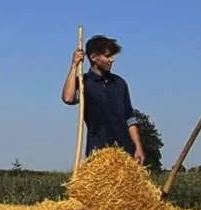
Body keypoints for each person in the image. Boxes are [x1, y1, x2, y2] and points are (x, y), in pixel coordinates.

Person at [61, 35, 146, 163]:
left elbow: (130, 118)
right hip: (98, 150)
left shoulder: (119, 83)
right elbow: (68, 98)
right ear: (93, 57)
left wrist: (138, 147)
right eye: (107, 56)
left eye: (112, 56)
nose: (111, 60)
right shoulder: (84, 82)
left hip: (124, 150)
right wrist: (74, 65)